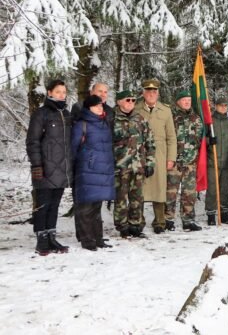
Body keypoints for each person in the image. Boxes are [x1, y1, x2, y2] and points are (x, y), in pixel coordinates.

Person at [26, 79, 73, 255]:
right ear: (49, 93)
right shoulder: (41, 114)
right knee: (43, 205)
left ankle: (52, 236)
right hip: (45, 168)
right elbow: (33, 141)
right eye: (58, 91)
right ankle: (41, 240)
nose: (61, 94)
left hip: (62, 169)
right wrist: (36, 164)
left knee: (54, 204)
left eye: (64, 91)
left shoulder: (67, 114)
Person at [71, 95, 115, 251]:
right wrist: (85, 163)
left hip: (103, 171)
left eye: (101, 106)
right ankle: (87, 239)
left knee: (97, 207)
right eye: (96, 106)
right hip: (87, 171)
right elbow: (73, 149)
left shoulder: (104, 124)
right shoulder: (81, 125)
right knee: (85, 208)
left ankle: (98, 238)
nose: (100, 108)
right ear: (88, 108)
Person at [134, 78, 177, 234]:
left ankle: (159, 221)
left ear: (158, 93)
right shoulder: (136, 108)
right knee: (139, 188)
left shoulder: (166, 110)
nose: (151, 94)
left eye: (154, 91)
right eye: (148, 91)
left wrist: (171, 158)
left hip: (160, 154)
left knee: (159, 188)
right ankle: (139, 220)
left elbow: (171, 137)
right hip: (140, 153)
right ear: (143, 93)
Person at [112, 89, 155, 238]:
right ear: (119, 102)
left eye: (133, 100)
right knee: (121, 198)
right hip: (119, 166)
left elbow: (150, 142)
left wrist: (150, 163)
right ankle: (122, 226)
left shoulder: (140, 119)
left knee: (137, 198)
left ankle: (136, 225)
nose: (131, 103)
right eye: (127, 100)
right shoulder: (112, 119)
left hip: (138, 166)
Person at [168, 90, 204, 231]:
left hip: (191, 162)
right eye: (184, 100)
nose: (187, 102)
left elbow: (200, 139)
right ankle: (168, 219)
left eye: (189, 100)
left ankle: (188, 220)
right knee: (170, 193)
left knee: (189, 193)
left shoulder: (196, 118)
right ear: (178, 102)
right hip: (175, 161)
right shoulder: (171, 117)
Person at [205, 95, 228, 225]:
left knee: (225, 189)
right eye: (221, 105)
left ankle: (224, 213)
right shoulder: (210, 122)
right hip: (212, 161)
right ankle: (211, 214)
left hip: (226, 162)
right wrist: (209, 141)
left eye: (225, 106)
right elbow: (201, 140)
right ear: (216, 106)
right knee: (212, 189)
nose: (223, 107)